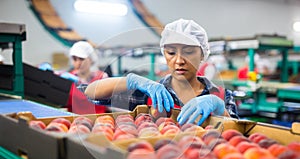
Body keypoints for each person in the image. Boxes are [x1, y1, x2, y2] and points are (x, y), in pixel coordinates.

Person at [84, 19, 238, 125]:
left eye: (189, 52)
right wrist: (130, 80)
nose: (179, 61)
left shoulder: (222, 96)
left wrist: (220, 109)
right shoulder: (149, 94)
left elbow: (239, 134)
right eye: (171, 53)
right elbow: (91, 92)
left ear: (203, 54)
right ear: (164, 54)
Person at [64, 41, 109, 114]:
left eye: (82, 59)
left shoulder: (102, 78)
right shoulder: (68, 78)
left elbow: (111, 103)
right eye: (75, 59)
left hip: (99, 122)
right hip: (75, 122)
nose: (78, 63)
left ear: (91, 59)